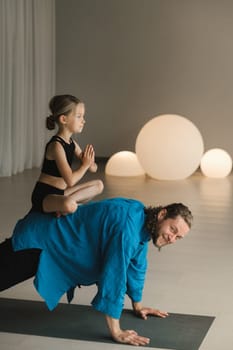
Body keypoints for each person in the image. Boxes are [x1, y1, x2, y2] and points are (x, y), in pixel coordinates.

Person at [0, 197, 193, 346]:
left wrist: (138, 305)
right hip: (40, 241)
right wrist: (116, 331)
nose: (172, 238)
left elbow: (137, 265)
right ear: (162, 215)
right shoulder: (128, 227)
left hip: (56, 243)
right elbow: (114, 274)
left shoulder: (140, 220)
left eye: (178, 237)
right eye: (173, 229)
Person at [31, 94, 104, 216]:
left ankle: (63, 208)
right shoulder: (56, 146)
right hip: (45, 196)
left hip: (61, 192)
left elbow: (93, 168)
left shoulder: (72, 143)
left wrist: (89, 161)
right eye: (79, 116)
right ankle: (65, 207)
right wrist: (84, 165)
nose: (83, 121)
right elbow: (70, 180)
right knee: (69, 204)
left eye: (83, 116)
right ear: (64, 119)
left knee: (99, 185)